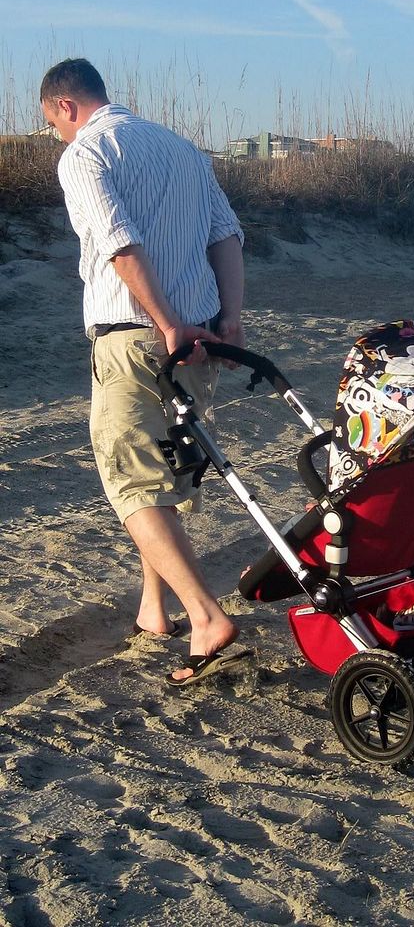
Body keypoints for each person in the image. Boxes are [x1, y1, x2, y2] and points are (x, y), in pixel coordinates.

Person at [40, 57, 249, 686]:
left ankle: (205, 619)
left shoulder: (84, 153)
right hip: (200, 341)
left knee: (132, 481)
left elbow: (118, 242)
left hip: (136, 336)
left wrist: (164, 322)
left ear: (66, 106)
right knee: (163, 475)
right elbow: (226, 236)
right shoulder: (183, 150)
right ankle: (154, 609)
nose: (55, 134)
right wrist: (230, 321)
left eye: (52, 122)